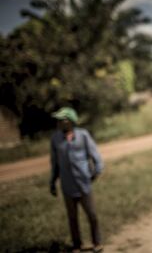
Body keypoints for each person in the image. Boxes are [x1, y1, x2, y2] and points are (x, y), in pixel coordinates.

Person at [49, 107, 104, 253]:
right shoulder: (55, 139)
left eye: (63, 119)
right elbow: (54, 163)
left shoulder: (83, 135)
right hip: (67, 185)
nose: (60, 122)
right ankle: (77, 245)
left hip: (84, 183)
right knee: (72, 218)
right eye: (59, 120)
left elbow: (96, 157)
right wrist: (52, 182)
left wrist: (95, 173)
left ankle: (97, 242)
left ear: (71, 121)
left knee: (92, 215)